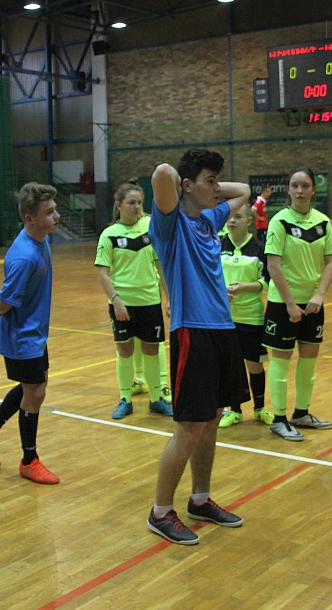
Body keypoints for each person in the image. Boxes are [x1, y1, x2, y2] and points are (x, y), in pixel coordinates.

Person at [146, 148, 251, 546]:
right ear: (187, 186)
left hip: (223, 329)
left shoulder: (210, 218)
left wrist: (209, 187)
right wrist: (189, 185)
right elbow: (163, 171)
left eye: (217, 181)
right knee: (190, 427)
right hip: (192, 331)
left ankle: (200, 500)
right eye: (210, 181)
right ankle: (160, 512)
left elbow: (244, 190)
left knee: (211, 421)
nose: (218, 189)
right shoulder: (169, 224)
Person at [0, 182, 61, 485]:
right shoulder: (24, 256)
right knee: (35, 393)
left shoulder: (41, 240)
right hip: (23, 338)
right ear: (30, 218)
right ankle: (28, 461)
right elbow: (7, 297)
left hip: (35, 333)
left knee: (33, 388)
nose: (56, 216)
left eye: (55, 210)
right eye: (49, 212)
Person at [263, 166, 332, 442]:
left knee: (308, 362)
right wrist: (291, 304)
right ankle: (279, 419)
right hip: (283, 304)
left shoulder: (323, 222)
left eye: (305, 185)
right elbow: (273, 265)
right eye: (295, 185)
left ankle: (301, 414)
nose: (300, 190)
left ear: (313, 190)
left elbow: (331, 261)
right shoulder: (279, 221)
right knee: (281, 362)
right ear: (288, 190)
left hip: (313, 305)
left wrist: (319, 295)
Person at [95, 180, 173, 420]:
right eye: (131, 203)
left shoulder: (150, 228)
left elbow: (160, 265)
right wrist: (116, 301)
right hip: (123, 305)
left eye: (139, 202)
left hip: (149, 301)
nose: (137, 207)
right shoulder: (109, 234)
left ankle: (156, 399)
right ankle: (125, 399)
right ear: (119, 205)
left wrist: (168, 298)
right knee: (125, 350)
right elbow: (102, 273)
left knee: (151, 349)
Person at [217, 204, 273, 428]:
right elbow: (209, 276)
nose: (232, 221)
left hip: (251, 317)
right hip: (224, 317)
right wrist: (221, 292)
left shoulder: (259, 249)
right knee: (231, 366)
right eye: (230, 217)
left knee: (254, 365)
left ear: (249, 220)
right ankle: (235, 410)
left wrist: (244, 288)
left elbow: (267, 282)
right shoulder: (218, 245)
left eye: (238, 217)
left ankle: (259, 409)